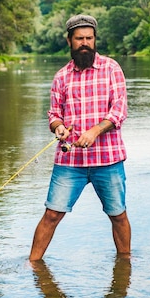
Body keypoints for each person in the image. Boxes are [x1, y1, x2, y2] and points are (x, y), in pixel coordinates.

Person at [29, 14, 131, 261]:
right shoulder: (61, 76)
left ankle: (125, 266)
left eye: (89, 38)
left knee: (118, 215)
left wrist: (95, 131)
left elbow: (119, 110)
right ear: (69, 41)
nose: (84, 43)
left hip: (108, 159)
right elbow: (54, 114)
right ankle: (32, 264)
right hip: (70, 163)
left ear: (95, 39)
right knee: (52, 214)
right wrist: (58, 128)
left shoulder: (112, 69)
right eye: (79, 39)